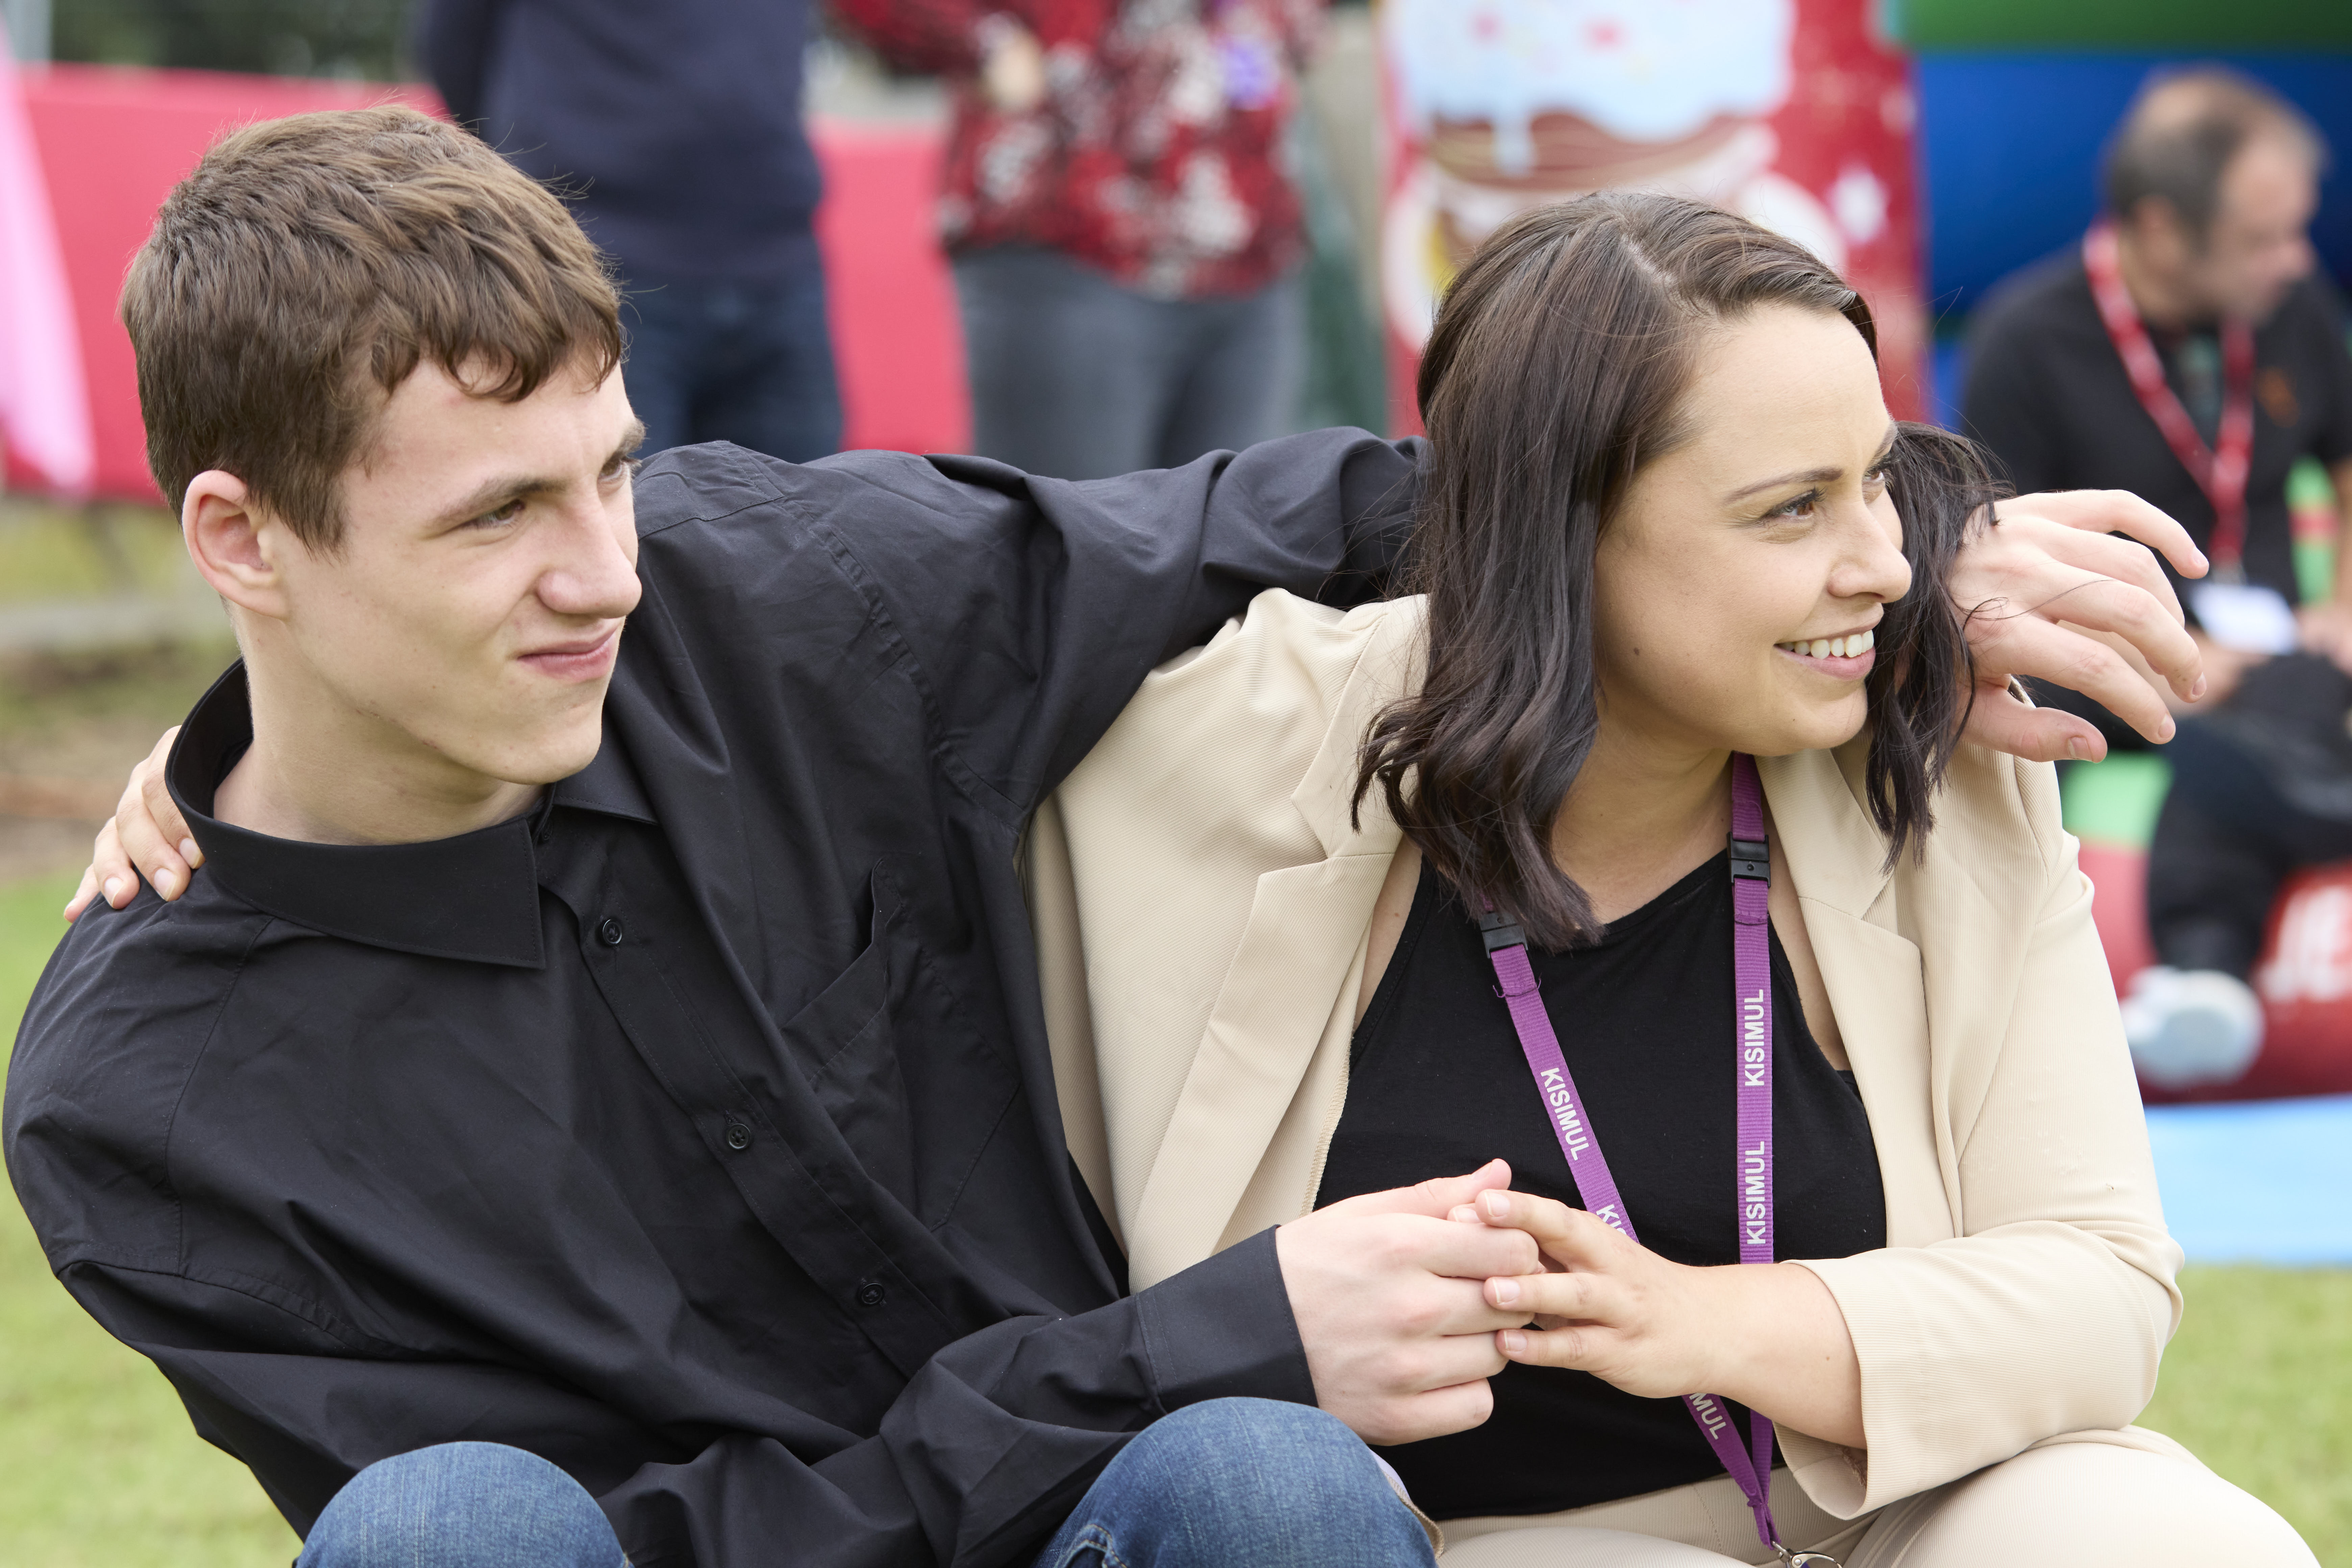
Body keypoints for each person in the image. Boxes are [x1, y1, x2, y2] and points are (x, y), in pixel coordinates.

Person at [44, 112, 2206, 1567]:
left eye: (608, 470)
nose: (604, 569)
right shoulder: (147, 1097)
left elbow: (1312, 514)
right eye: (500, 516)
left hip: (1127, 1524)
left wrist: (1897, 550)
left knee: (1257, 1476)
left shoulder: (768, 588)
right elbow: (641, 1528)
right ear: (242, 540)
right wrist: (1201, 1333)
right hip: (843, 1512)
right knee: (447, 1535)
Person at [1027, 194, 2314, 1564]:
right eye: (1790, 508)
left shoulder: (1939, 735)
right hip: (1472, 1538)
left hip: (1882, 1510)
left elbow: (2102, 1284)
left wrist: (1700, 1319)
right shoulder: (1210, 747)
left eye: (1879, 478)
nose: (1889, 565)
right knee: (1253, 1489)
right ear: (1558, 534)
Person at [1962, 67, 2352, 1088]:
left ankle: (2206, 975)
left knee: (2293, 697)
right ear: (2163, 230)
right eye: (2263, 240)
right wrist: (2156, 649)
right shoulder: (2025, 338)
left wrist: (2346, 602)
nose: (2295, 260)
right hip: (2093, 661)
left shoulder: (2295, 308)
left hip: (2279, 664)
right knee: (2013, 714)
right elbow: (1991, 568)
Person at [830, 0, 1322, 480]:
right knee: (1077, 544)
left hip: (1250, 250)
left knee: (1233, 548)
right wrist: (984, 46)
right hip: (1071, 241)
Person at [420, 0, 843, 463]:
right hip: (595, 260)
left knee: (800, 521)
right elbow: (456, 42)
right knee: (614, 518)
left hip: (777, 261)